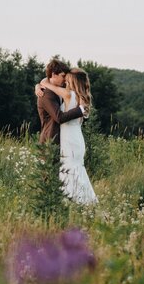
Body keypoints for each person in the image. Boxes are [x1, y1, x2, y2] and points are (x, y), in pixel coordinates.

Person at [36, 66, 98, 205]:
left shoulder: (68, 95)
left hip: (68, 139)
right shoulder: (84, 99)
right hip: (77, 139)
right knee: (77, 170)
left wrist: (40, 84)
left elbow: (47, 83)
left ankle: (71, 202)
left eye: (68, 79)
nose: (65, 82)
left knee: (68, 170)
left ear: (73, 81)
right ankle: (86, 202)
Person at [34, 58, 84, 145]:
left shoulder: (63, 86)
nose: (65, 79)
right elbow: (59, 117)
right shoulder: (45, 94)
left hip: (65, 139)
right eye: (63, 76)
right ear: (53, 74)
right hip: (50, 142)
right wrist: (81, 110)